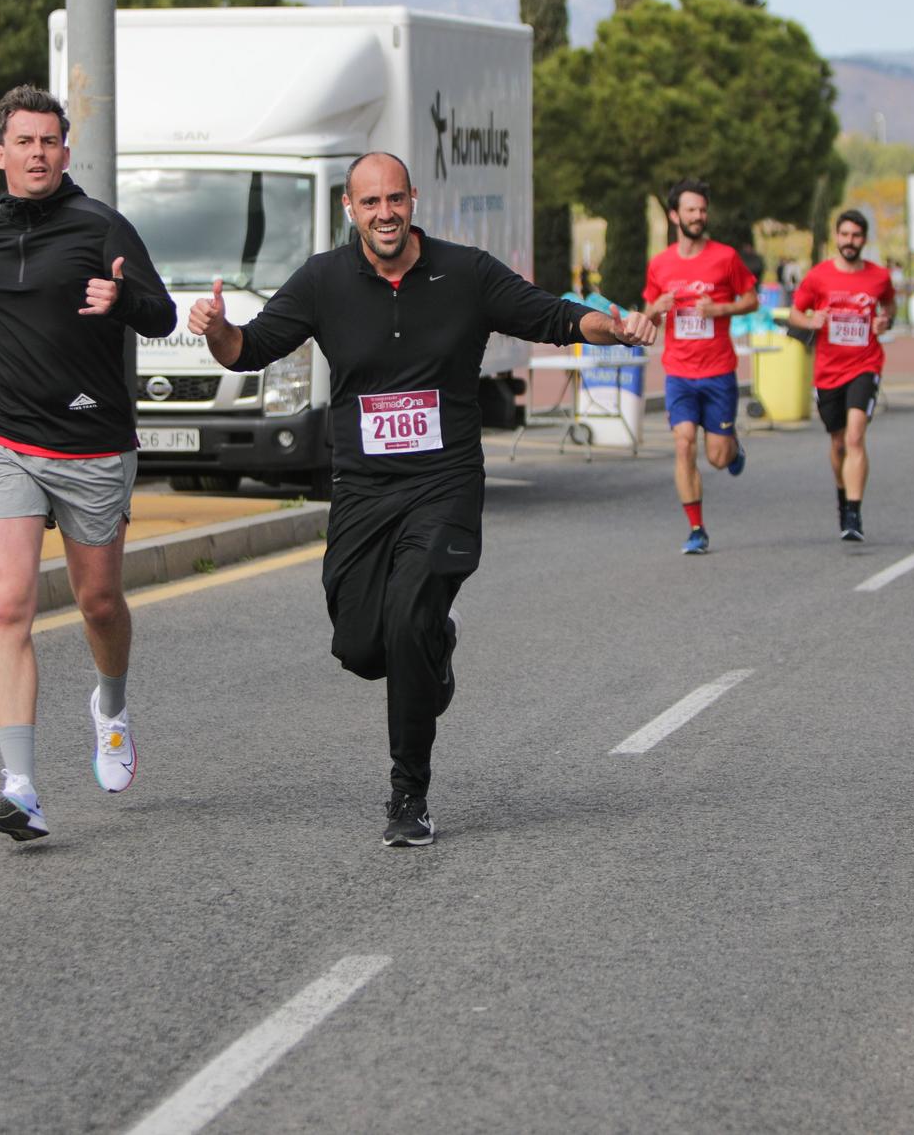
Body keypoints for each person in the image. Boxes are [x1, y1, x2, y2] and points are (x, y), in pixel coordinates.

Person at [189, 151, 655, 847]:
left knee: (407, 614)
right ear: (351, 210)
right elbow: (250, 348)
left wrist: (612, 327)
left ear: (414, 199)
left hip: (445, 483)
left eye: (395, 199)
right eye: (370, 202)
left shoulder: (464, 272)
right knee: (362, 646)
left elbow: (551, 316)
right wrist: (217, 328)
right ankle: (436, 646)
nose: (385, 213)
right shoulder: (323, 280)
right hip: (363, 489)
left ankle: (409, 794)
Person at [0, 84, 177, 843]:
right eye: (24, 142)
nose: (39, 153)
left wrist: (120, 299)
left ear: (64, 151)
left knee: (98, 604)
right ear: (1, 154)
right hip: (3, 439)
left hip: (90, 444)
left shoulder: (100, 225)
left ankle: (111, 709)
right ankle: (19, 785)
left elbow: (162, 314)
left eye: (51, 141)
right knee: (6, 605)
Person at [641, 178, 759, 556]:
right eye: (691, 210)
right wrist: (655, 310)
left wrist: (720, 309)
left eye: (702, 210)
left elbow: (752, 299)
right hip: (679, 371)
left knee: (718, 458)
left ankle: (733, 447)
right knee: (683, 443)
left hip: (719, 371)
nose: (698, 216)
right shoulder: (660, 264)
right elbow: (649, 317)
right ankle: (696, 528)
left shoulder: (725, 258)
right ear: (675, 215)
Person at [789, 210, 895, 541]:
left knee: (854, 437)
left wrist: (884, 321)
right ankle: (842, 493)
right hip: (828, 370)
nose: (850, 242)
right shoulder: (819, 277)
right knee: (837, 443)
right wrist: (811, 322)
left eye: (857, 236)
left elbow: (889, 306)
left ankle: (854, 512)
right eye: (845, 235)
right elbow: (795, 313)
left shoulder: (879, 277)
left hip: (865, 364)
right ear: (837, 237)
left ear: (865, 239)